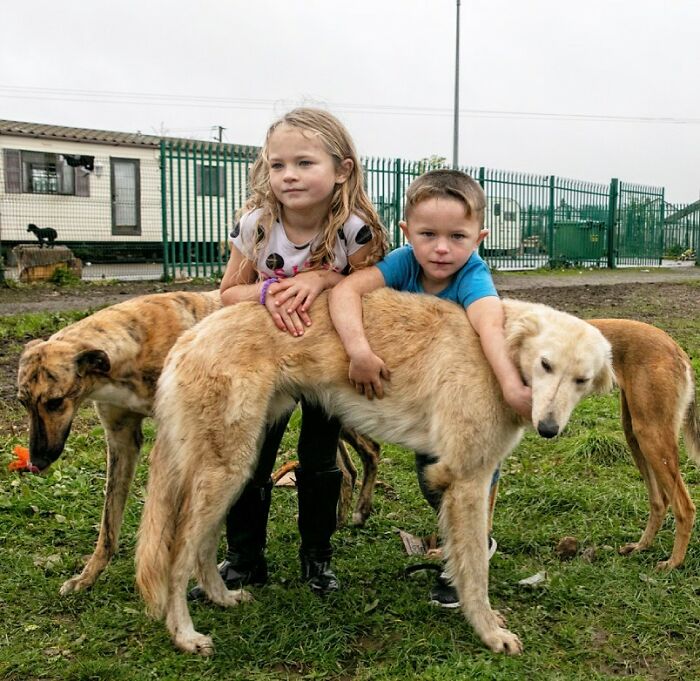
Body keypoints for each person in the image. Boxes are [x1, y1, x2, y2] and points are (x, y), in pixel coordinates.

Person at [190, 108, 387, 599]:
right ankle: (243, 561)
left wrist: (320, 277)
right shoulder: (256, 224)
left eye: (304, 162)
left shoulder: (354, 229)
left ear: (341, 170)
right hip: (266, 362)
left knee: (319, 458)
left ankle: (317, 561)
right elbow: (227, 294)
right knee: (253, 457)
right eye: (278, 165)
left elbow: (373, 291)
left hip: (325, 364)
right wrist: (263, 292)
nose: (289, 175)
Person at [328, 168, 532, 607]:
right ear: (406, 232)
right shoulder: (404, 261)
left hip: (471, 405)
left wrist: (513, 389)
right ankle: (466, 537)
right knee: (432, 480)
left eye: (458, 237)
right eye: (427, 234)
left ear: (480, 237)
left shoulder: (473, 277)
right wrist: (358, 351)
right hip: (426, 397)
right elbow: (346, 292)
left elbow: (490, 326)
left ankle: (471, 550)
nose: (441, 248)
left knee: (467, 483)